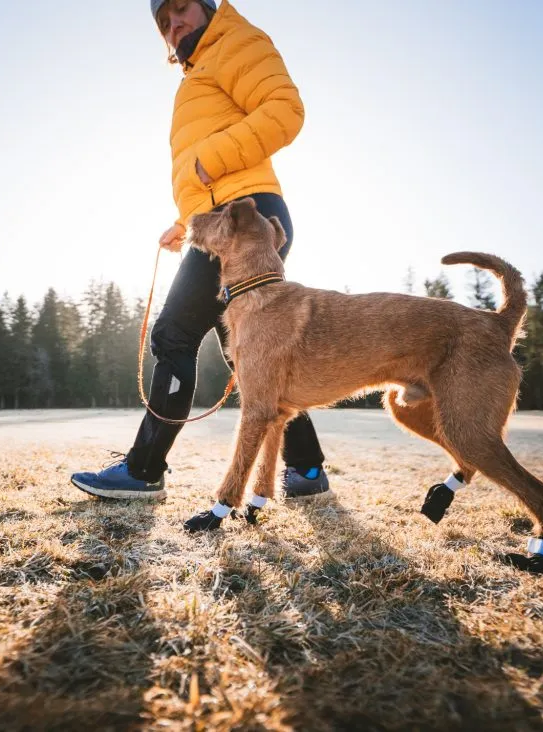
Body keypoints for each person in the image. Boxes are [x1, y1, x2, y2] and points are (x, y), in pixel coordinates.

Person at [70, 0, 330, 502]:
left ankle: (144, 470)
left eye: (182, 8)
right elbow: (206, 178)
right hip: (227, 219)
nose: (174, 25)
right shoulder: (201, 69)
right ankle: (307, 471)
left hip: (241, 220)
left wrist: (211, 159)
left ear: (207, 5)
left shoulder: (234, 41)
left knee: (175, 334)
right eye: (164, 22)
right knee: (250, 354)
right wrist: (184, 223)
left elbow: (285, 110)